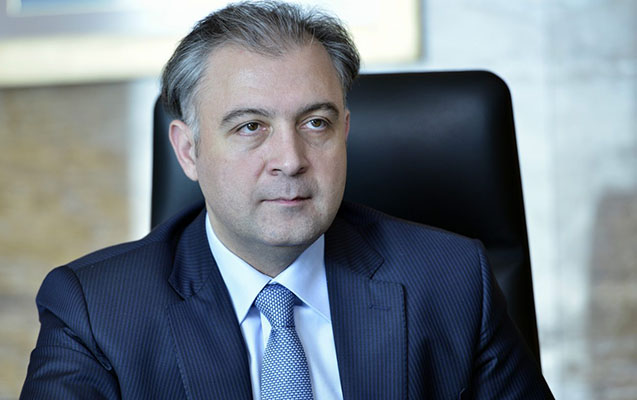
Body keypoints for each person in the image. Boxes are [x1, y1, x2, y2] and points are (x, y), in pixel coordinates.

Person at [21, 1, 554, 399]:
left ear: (345, 133)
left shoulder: (452, 280)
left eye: (315, 123)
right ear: (189, 150)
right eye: (250, 126)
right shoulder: (96, 312)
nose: (291, 159)